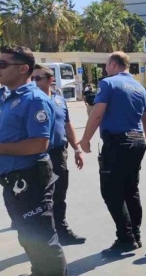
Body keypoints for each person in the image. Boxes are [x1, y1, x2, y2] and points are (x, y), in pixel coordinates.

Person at [0, 46, 67, 276]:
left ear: (23, 69)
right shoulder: (6, 97)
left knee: (42, 239)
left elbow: (39, 144)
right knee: (26, 235)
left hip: (31, 177)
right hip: (12, 180)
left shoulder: (34, 99)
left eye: (2, 64)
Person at [79, 51, 146, 256]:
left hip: (118, 143)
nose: (104, 69)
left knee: (112, 192)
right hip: (137, 142)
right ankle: (135, 234)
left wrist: (85, 140)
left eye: (106, 65)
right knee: (131, 189)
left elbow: (97, 113)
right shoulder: (140, 88)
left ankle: (126, 238)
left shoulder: (109, 83)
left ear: (113, 64)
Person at [33, 64, 86, 246]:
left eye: (39, 78)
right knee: (39, 197)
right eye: (33, 78)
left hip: (58, 153)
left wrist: (77, 149)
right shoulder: (30, 100)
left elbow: (67, 126)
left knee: (59, 193)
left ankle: (61, 230)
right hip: (37, 156)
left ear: (50, 80)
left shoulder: (59, 100)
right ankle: (43, 236)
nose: (35, 81)